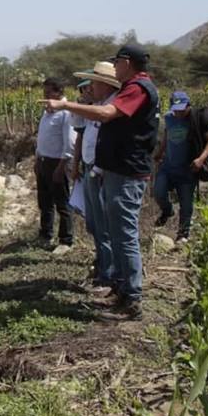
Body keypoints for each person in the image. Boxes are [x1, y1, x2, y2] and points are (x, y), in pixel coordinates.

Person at [41, 45, 160, 320]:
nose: (115, 67)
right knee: (116, 232)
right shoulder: (134, 87)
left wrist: (66, 104)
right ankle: (121, 288)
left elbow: (107, 114)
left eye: (117, 62)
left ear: (126, 62)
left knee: (125, 234)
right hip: (117, 170)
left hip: (127, 172)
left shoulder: (138, 88)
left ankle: (132, 299)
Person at [71, 61, 121, 290]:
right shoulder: (97, 105)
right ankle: (103, 265)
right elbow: (82, 133)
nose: (89, 88)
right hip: (90, 168)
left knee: (104, 224)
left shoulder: (110, 109)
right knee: (94, 223)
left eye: (93, 83)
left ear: (105, 84)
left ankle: (109, 274)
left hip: (100, 171)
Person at [154, 90, 208, 243]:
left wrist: (201, 159)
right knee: (158, 192)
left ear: (188, 106)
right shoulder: (169, 118)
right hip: (168, 166)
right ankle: (167, 210)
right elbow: (167, 136)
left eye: (181, 109)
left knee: (186, 202)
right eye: (175, 110)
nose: (178, 113)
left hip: (187, 168)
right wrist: (159, 153)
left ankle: (183, 234)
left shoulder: (196, 119)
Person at [35, 78, 76, 248]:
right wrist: (38, 159)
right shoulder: (48, 112)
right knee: (45, 202)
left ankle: (66, 241)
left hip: (58, 163)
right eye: (44, 92)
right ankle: (45, 235)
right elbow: (42, 137)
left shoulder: (66, 113)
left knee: (62, 203)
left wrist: (61, 166)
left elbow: (70, 142)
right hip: (44, 160)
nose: (46, 96)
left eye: (49, 93)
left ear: (59, 93)